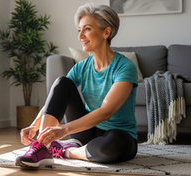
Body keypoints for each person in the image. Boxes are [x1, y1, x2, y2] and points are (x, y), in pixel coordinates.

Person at [15, 3, 138, 167]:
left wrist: (64, 130)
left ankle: (66, 151)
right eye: (79, 30)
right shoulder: (82, 67)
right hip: (86, 132)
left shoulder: (125, 67)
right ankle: (42, 147)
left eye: (87, 29)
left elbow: (106, 112)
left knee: (111, 147)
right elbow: (58, 96)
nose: (81, 36)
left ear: (106, 32)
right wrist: (34, 126)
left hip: (118, 135)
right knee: (62, 82)